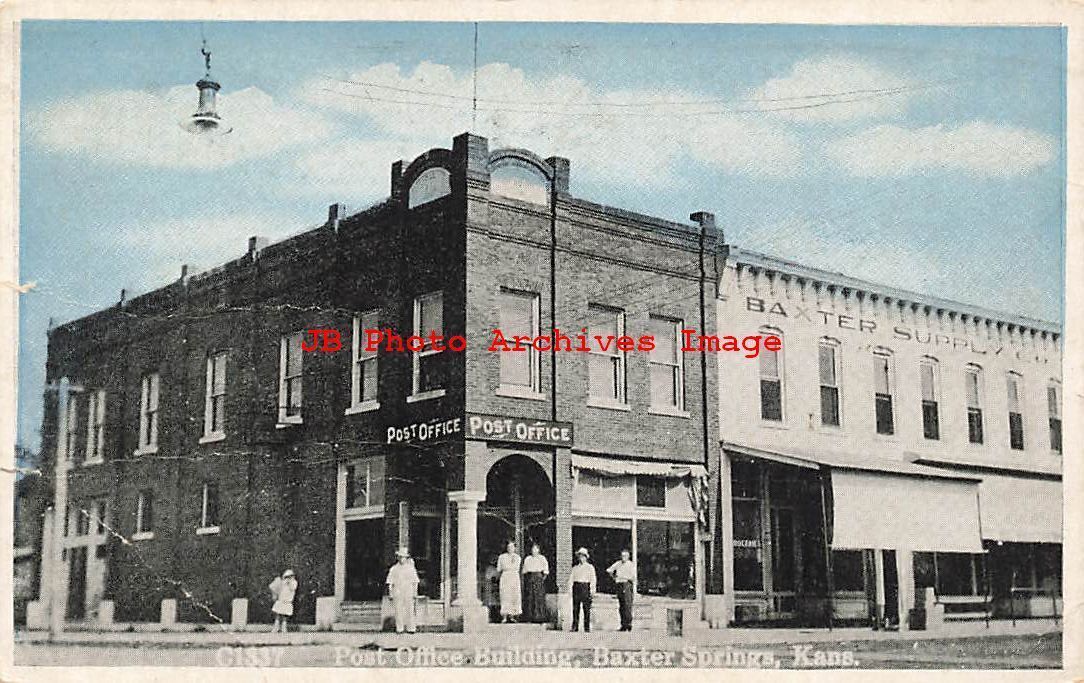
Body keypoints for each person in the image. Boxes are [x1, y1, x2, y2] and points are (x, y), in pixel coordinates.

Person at [386, 547, 419, 633]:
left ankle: (411, 628)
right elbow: (390, 582)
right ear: (397, 558)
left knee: (410, 609)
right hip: (398, 590)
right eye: (400, 557)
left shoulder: (410, 568)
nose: (401, 559)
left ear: (406, 558)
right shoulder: (394, 569)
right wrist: (391, 593)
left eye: (403, 557)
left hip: (408, 590)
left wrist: (415, 592)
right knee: (398, 610)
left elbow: (415, 581)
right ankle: (399, 628)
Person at [607, 549, 637, 631]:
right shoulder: (618, 563)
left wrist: (626, 578)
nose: (623, 557)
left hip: (626, 584)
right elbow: (609, 570)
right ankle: (623, 625)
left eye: (625, 556)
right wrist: (614, 577)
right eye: (622, 556)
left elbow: (633, 577)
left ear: (628, 556)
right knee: (622, 606)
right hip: (619, 584)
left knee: (628, 605)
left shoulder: (630, 565)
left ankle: (629, 624)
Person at [568, 547, 596, 632]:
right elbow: (571, 579)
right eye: (580, 556)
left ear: (586, 557)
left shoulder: (590, 567)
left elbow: (593, 579)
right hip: (577, 587)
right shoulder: (575, 568)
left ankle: (586, 627)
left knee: (586, 608)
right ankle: (575, 626)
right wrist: (570, 589)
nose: (581, 558)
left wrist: (592, 589)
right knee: (575, 608)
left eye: (583, 556)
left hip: (585, 587)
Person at [521, 543, 550, 623]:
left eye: (535, 549)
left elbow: (546, 571)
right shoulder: (528, 559)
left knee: (539, 597)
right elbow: (524, 571)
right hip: (530, 578)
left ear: (538, 550)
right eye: (532, 549)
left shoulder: (542, 558)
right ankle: (530, 617)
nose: (534, 551)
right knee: (530, 597)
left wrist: (541, 579)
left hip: (539, 578)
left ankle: (540, 617)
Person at [496, 541, 523, 623]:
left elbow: (517, 567)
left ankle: (512, 616)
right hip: (505, 577)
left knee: (514, 595)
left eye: (512, 547)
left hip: (514, 577)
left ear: (514, 548)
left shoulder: (518, 557)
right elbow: (499, 568)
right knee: (505, 595)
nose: (510, 549)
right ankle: (504, 616)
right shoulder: (502, 557)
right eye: (509, 547)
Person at [268, 569, 297, 633]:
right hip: (281, 600)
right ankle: (276, 627)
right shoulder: (282, 582)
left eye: (290, 576)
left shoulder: (294, 582)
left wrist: (289, 583)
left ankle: (284, 628)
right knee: (278, 614)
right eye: (287, 577)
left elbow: (293, 588)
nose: (288, 578)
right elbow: (275, 588)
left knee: (285, 616)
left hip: (288, 601)